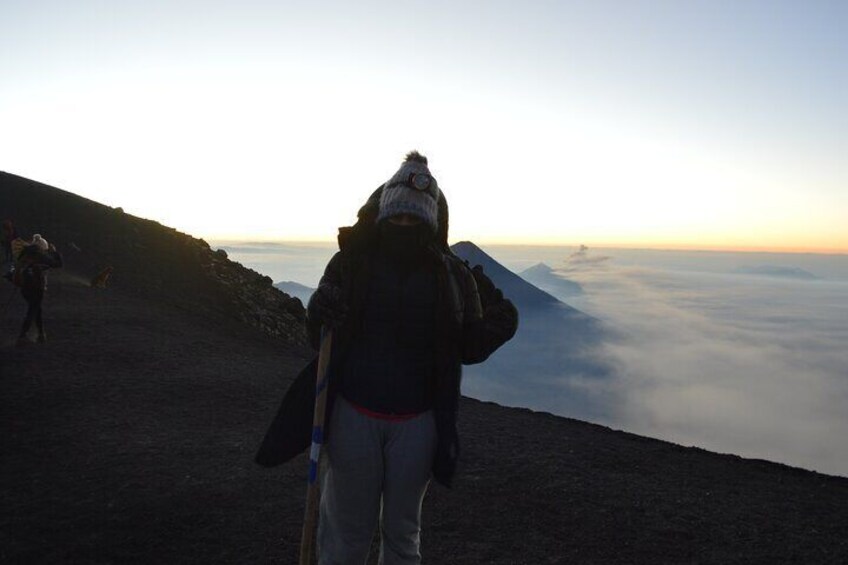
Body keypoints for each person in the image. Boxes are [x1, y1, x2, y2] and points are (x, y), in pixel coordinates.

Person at [278, 151, 518, 564]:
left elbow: (470, 347)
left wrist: (499, 315)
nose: (404, 225)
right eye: (398, 217)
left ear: (429, 221)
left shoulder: (451, 275)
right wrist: (319, 308)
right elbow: (320, 337)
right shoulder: (350, 264)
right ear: (383, 213)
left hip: (417, 423)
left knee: (402, 534)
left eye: (414, 219)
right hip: (355, 416)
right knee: (347, 532)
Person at [16, 234, 63, 346]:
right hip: (37, 287)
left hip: (24, 287)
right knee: (33, 309)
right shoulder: (42, 256)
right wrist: (54, 252)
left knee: (36, 308)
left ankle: (41, 334)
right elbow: (58, 264)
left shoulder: (24, 254)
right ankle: (23, 335)